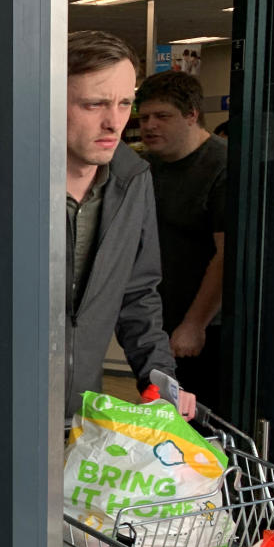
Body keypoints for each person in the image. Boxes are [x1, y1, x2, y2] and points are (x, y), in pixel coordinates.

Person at [65, 30, 196, 420]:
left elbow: (138, 291)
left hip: (81, 407)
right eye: (94, 104)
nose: (115, 122)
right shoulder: (7, 186)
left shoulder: (133, 177)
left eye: (125, 103)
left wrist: (157, 377)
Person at [136, 71, 226, 414]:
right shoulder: (147, 167)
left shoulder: (221, 167)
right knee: (160, 423)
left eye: (162, 116)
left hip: (202, 332)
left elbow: (226, 255)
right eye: (144, 117)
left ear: (191, 114)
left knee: (197, 431)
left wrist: (194, 324)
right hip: (156, 325)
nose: (150, 126)